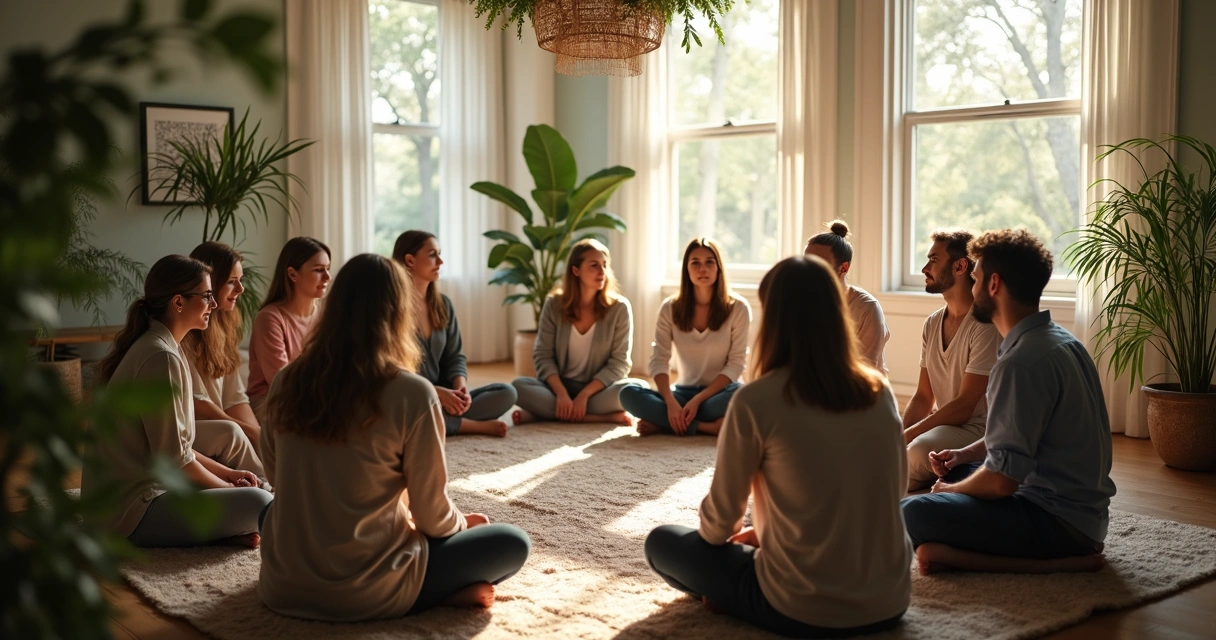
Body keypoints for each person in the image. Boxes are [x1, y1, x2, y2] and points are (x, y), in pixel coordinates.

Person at [644, 256, 911, 638]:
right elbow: (896, 491)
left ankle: (732, 597)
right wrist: (769, 533)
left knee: (662, 542)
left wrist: (757, 539)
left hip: (802, 608)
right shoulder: (878, 390)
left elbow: (719, 527)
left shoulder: (757, 400)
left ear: (773, 319)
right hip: (890, 600)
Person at [258, 254, 531, 621]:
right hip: (366, 589)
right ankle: (433, 596)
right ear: (398, 313)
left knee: (268, 511)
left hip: (284, 585)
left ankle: (430, 587)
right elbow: (432, 516)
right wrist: (461, 525)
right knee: (511, 542)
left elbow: (279, 481)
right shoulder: (413, 393)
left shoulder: (285, 381)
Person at [901, 229, 1115, 576]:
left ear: (994, 284)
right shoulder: (1059, 340)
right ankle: (946, 551)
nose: (971, 287)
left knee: (910, 512)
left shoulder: (1019, 363)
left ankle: (1059, 564)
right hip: (1082, 516)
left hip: (1056, 523)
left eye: (975, 279)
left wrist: (950, 490)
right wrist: (964, 455)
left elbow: (1002, 483)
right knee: (956, 471)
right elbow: (1019, 432)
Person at [84, 255, 272, 548]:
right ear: (178, 303)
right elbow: (175, 461)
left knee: (254, 496)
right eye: (207, 295)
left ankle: (226, 529)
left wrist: (230, 474)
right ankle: (227, 529)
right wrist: (226, 489)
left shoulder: (164, 346)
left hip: (146, 495)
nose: (213, 304)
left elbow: (180, 451)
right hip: (131, 511)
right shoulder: (161, 356)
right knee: (259, 502)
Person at [620, 238, 750, 437]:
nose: (702, 269)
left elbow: (736, 364)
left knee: (741, 394)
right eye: (695, 262)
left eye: (709, 262)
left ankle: (664, 424)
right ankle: (705, 427)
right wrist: (671, 402)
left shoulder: (738, 308)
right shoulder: (670, 308)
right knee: (628, 394)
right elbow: (659, 361)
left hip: (719, 393)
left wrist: (698, 401)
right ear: (686, 269)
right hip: (681, 393)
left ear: (719, 268)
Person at [392, 231, 518, 437]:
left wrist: (461, 389)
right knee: (399, 414)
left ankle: (441, 422)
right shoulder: (391, 309)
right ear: (410, 260)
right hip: (411, 397)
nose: (440, 261)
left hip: (444, 395)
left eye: (440, 254)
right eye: (433, 254)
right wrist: (437, 393)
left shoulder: (443, 305)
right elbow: (392, 371)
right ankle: (468, 426)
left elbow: (455, 356)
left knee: (508, 393)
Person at [902, 230, 1001, 490]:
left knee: (916, 452)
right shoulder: (933, 323)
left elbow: (964, 406)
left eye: (933, 260)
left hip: (978, 430)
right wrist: (897, 435)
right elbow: (924, 397)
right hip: (946, 424)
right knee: (893, 445)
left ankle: (911, 475)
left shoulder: (985, 325)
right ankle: (910, 477)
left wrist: (906, 438)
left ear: (960, 266)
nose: (925, 268)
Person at [513, 238, 646, 425]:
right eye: (594, 265)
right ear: (576, 270)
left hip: (598, 391)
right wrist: (561, 394)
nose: (602, 272)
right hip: (558, 389)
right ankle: (599, 418)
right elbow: (543, 355)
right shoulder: (554, 305)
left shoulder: (619, 308)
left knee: (638, 389)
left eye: (604, 265)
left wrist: (584, 395)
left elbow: (619, 363)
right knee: (517, 387)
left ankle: (543, 415)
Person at [182, 242, 266, 474]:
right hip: (194, 430)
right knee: (235, 434)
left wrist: (258, 435)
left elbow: (235, 399)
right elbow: (198, 405)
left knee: (261, 437)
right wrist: (247, 431)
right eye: (231, 282)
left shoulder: (225, 326)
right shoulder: (184, 333)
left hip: (221, 427)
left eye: (240, 280)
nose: (241, 289)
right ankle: (269, 488)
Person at [248, 237, 330, 413]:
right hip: (272, 402)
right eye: (319, 270)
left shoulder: (326, 314)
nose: (327, 277)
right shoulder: (269, 318)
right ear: (293, 274)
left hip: (317, 397)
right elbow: (281, 381)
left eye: (327, 269)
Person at [804, 220, 890, 373]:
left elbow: (866, 373)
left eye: (819, 264)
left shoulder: (867, 308)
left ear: (843, 268)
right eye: (807, 262)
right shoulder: (799, 301)